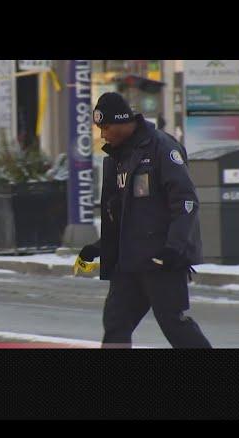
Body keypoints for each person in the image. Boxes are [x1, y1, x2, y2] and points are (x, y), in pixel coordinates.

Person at [79, 92, 211, 348]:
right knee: (116, 323)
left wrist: (174, 248)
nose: (103, 135)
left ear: (122, 121)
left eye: (106, 127)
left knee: (174, 323)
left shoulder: (162, 148)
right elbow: (122, 214)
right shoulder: (119, 157)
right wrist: (99, 247)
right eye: (99, 128)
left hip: (160, 259)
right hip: (128, 262)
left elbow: (186, 202)